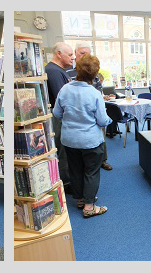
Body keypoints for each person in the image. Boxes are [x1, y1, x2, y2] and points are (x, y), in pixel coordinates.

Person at [53, 54, 112, 218]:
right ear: (95, 74)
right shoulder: (94, 94)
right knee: (91, 171)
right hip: (90, 141)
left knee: (75, 170)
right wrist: (109, 119)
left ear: (76, 69)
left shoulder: (65, 89)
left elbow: (56, 113)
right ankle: (89, 206)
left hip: (70, 140)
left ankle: (80, 199)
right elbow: (102, 120)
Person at [73, 42, 113, 171]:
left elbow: (99, 93)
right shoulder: (69, 71)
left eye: (88, 53)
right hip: (78, 113)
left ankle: (103, 160)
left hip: (95, 112)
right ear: (75, 54)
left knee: (101, 138)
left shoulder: (94, 75)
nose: (85, 56)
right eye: (82, 53)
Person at [46, 42, 77, 195]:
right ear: (59, 53)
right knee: (62, 149)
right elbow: (61, 99)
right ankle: (66, 183)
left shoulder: (59, 70)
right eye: (70, 54)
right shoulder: (53, 71)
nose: (73, 58)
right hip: (58, 117)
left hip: (62, 116)